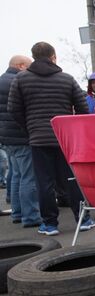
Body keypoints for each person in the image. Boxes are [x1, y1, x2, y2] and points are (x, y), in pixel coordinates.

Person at [8, 42, 94, 236]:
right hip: (64, 139)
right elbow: (83, 109)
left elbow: (13, 109)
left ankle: (50, 224)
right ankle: (84, 219)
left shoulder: (21, 80)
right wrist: (72, 130)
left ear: (34, 56)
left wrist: (29, 127)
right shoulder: (67, 79)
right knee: (72, 179)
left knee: (44, 182)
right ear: (53, 57)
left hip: (38, 138)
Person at [0, 55, 41, 227]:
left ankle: (17, 212)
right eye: (29, 67)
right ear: (21, 66)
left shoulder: (2, 80)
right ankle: (30, 216)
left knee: (16, 174)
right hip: (20, 135)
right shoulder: (18, 81)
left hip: (7, 137)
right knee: (28, 177)